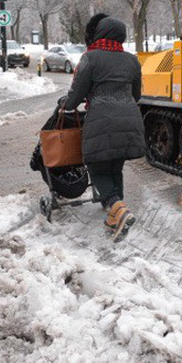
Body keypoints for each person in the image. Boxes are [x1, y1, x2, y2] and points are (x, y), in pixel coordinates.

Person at [63, 14, 145, 241]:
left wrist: (66, 104)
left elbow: (75, 96)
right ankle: (115, 213)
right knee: (115, 166)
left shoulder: (91, 58)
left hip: (101, 119)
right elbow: (136, 94)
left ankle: (117, 208)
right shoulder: (132, 60)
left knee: (97, 167)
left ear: (100, 33)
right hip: (130, 119)